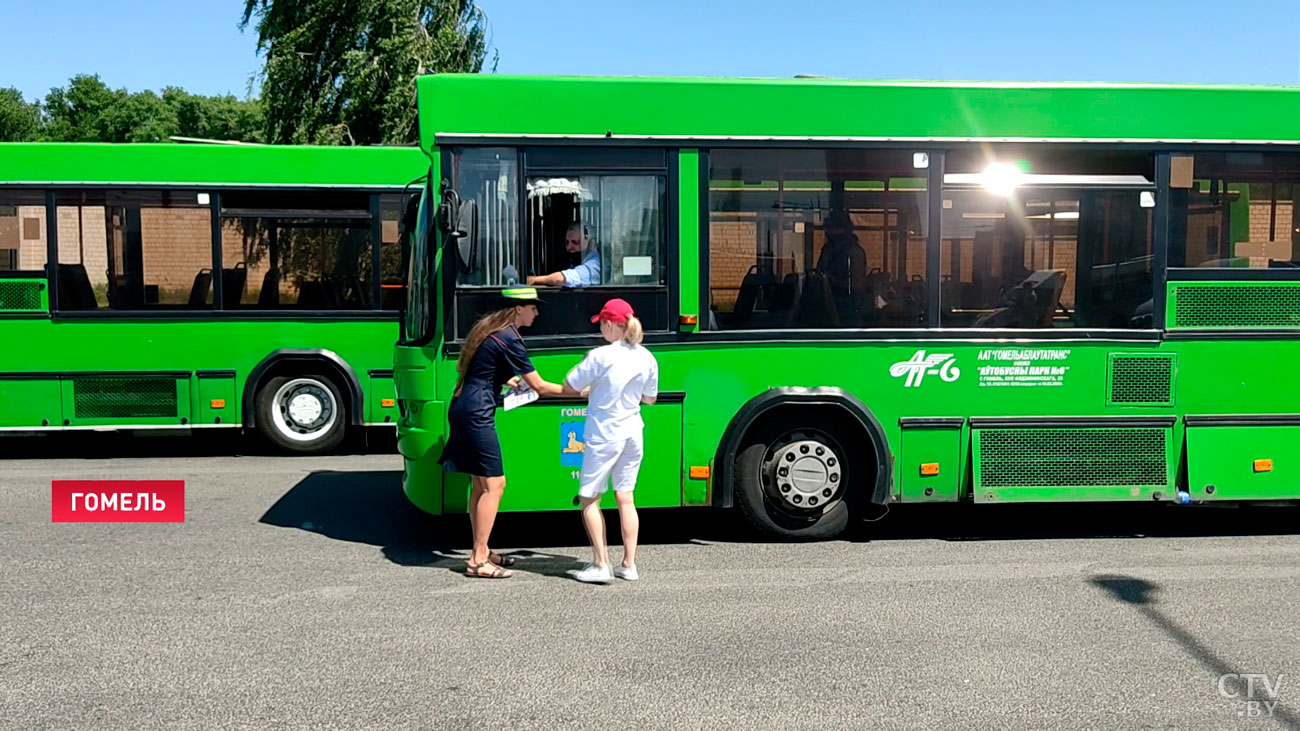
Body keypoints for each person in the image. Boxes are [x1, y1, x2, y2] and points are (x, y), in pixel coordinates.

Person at [439, 286, 565, 578]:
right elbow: (541, 386)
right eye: (533, 307)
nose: (536, 312)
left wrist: (505, 381)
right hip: (477, 414)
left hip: (463, 406)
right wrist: (583, 391)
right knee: (496, 485)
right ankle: (478, 559)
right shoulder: (510, 339)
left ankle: (481, 550)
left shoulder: (490, 330)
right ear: (518, 309)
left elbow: (477, 369)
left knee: (481, 485)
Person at [562, 298, 659, 583]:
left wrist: (595, 389)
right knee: (626, 498)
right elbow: (650, 400)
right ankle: (629, 564)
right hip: (633, 432)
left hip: (605, 433)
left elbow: (570, 385)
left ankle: (601, 564)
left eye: (602, 324)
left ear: (611, 325)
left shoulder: (601, 355)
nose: (601, 329)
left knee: (589, 497)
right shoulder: (647, 357)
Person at [527, 222, 601, 287]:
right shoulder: (576, 263)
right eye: (567, 242)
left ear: (592, 244)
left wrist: (534, 280)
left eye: (575, 242)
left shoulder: (595, 264)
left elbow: (565, 278)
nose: (569, 247)